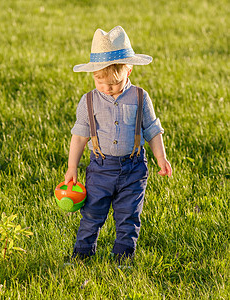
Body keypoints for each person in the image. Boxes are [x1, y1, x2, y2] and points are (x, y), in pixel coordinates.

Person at [64, 26, 172, 262]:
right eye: (100, 82)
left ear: (129, 70)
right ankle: (81, 255)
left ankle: (123, 258)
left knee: (128, 216)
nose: (107, 88)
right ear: (93, 74)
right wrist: (72, 168)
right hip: (100, 169)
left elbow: (152, 130)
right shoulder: (88, 101)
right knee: (92, 214)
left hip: (133, 169)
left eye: (114, 82)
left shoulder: (140, 97)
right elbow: (80, 136)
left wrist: (161, 157)